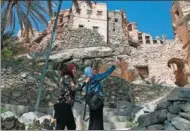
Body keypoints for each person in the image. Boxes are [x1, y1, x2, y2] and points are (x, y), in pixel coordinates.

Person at [82, 60, 120, 130]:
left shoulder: (85, 81)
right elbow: (106, 73)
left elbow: (84, 92)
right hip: (97, 101)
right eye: (92, 69)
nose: (95, 70)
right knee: (98, 120)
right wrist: (114, 66)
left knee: (92, 119)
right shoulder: (94, 78)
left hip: (91, 102)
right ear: (90, 72)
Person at [53, 63, 77, 130]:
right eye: (74, 69)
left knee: (60, 126)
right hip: (64, 105)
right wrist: (85, 82)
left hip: (61, 105)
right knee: (71, 126)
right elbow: (74, 88)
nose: (75, 71)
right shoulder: (67, 77)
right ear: (70, 69)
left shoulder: (66, 77)